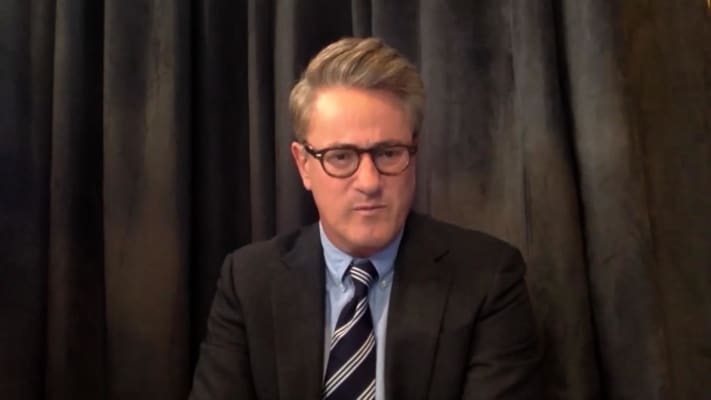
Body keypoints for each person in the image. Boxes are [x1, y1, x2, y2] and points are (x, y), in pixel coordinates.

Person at [189, 37, 541, 400]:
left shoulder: (487, 278)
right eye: (341, 157)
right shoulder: (249, 282)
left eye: (388, 153)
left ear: (414, 155)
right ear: (304, 165)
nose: (370, 182)